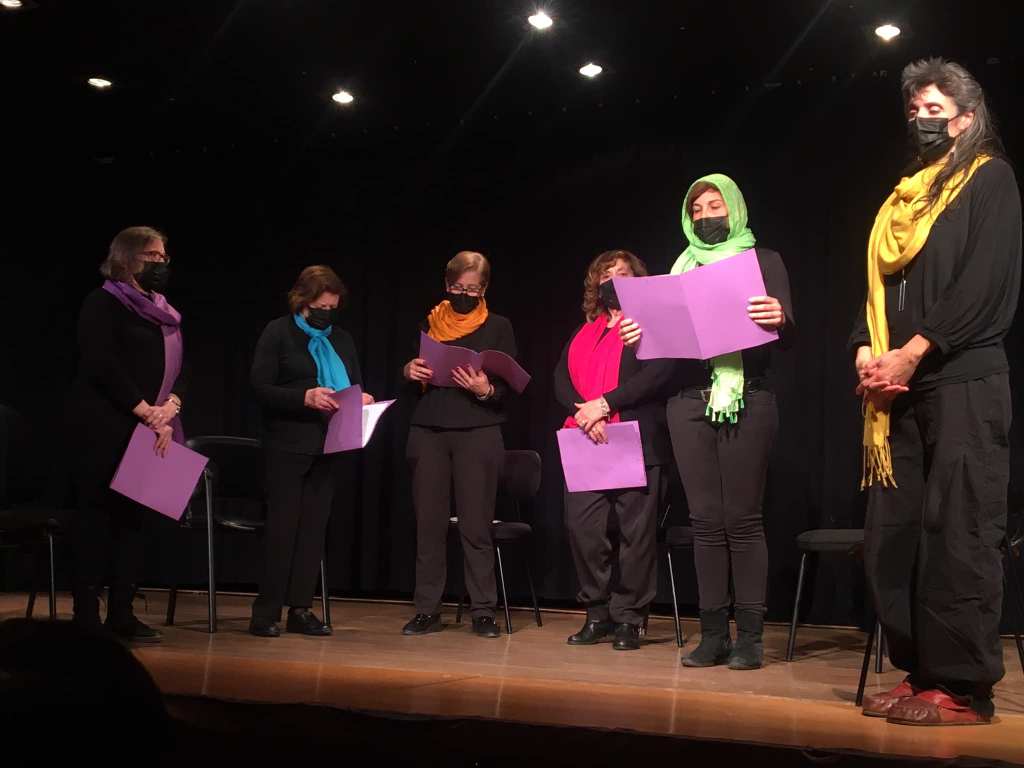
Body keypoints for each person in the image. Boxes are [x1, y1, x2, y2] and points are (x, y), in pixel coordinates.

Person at [850, 58, 1021, 726]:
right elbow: (877, 290)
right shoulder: (905, 198)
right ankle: (921, 671)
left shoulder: (990, 179)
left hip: (962, 381)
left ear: (966, 119)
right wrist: (865, 349)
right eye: (914, 109)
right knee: (896, 539)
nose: (920, 119)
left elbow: (983, 286)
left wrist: (914, 350)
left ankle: (963, 687)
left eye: (934, 109)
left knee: (960, 534)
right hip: (897, 391)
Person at [621, 174, 793, 669]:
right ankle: (713, 633)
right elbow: (662, 353)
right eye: (696, 209)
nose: (705, 215)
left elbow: (788, 332)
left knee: (742, 519)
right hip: (687, 403)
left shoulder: (762, 261)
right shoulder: (680, 271)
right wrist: (639, 336)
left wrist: (779, 318)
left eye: (715, 205)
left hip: (747, 397)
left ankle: (750, 636)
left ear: (734, 208)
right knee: (704, 521)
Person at [554, 250, 678, 651]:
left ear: (637, 281)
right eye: (605, 276)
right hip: (586, 437)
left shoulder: (649, 326)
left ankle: (630, 618)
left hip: (637, 440)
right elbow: (560, 377)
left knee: (636, 535)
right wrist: (584, 411)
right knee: (583, 529)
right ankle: (597, 613)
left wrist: (605, 404)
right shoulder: (584, 331)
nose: (612, 282)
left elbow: (658, 375)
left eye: (621, 275)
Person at [65, 226, 185, 642]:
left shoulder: (165, 314)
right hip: (103, 427)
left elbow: (178, 371)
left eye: (164, 257)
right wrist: (144, 410)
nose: (161, 264)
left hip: (151, 429)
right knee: (96, 521)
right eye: (153, 256)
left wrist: (171, 407)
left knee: (135, 524)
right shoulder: (102, 303)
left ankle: (122, 612)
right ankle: (85, 616)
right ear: (128, 258)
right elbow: (100, 363)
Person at [249, 265, 374, 637]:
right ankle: (265, 611)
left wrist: (361, 398)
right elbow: (260, 387)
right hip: (287, 445)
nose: (326, 314)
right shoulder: (278, 332)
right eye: (320, 308)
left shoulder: (342, 340)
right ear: (302, 301)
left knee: (313, 531)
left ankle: (300, 608)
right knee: (282, 529)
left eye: (332, 308)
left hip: (329, 445)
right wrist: (304, 397)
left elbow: (353, 384)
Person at [401, 251, 517, 638]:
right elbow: (411, 376)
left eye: (472, 289)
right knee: (429, 524)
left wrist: (486, 389)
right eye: (457, 287)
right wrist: (409, 370)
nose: (464, 294)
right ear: (446, 285)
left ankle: (482, 611)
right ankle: (427, 609)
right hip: (429, 429)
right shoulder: (430, 321)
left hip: (478, 430)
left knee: (476, 524)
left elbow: (510, 385)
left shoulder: (498, 326)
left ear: (484, 289)